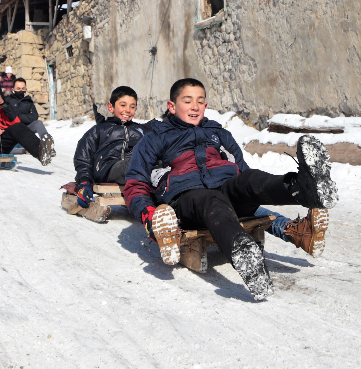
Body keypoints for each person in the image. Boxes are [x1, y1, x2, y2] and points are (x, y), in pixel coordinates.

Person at [124, 78, 338, 300]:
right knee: (211, 200)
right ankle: (243, 252)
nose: (195, 106)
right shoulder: (154, 139)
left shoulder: (219, 134)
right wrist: (149, 215)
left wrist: (249, 186)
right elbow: (135, 185)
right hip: (187, 199)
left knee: (250, 179)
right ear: (172, 106)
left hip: (225, 189)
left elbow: (242, 170)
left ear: (206, 106)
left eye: (200, 101)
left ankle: (303, 189)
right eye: (187, 101)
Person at [72, 86, 152, 211]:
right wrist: (84, 181)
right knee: (136, 161)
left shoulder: (140, 129)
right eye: (123, 105)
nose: (128, 110)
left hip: (136, 166)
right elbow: (83, 156)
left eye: (132, 106)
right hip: (110, 168)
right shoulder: (101, 129)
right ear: (111, 107)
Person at [0, 60, 55, 163]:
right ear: (13, 89)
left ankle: (46, 144)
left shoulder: (28, 101)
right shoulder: (8, 100)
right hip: (12, 129)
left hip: (25, 128)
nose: (20, 90)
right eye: (18, 88)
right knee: (18, 127)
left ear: (25, 89)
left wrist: (18, 117)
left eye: (23, 88)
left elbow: (34, 117)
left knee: (38, 123)